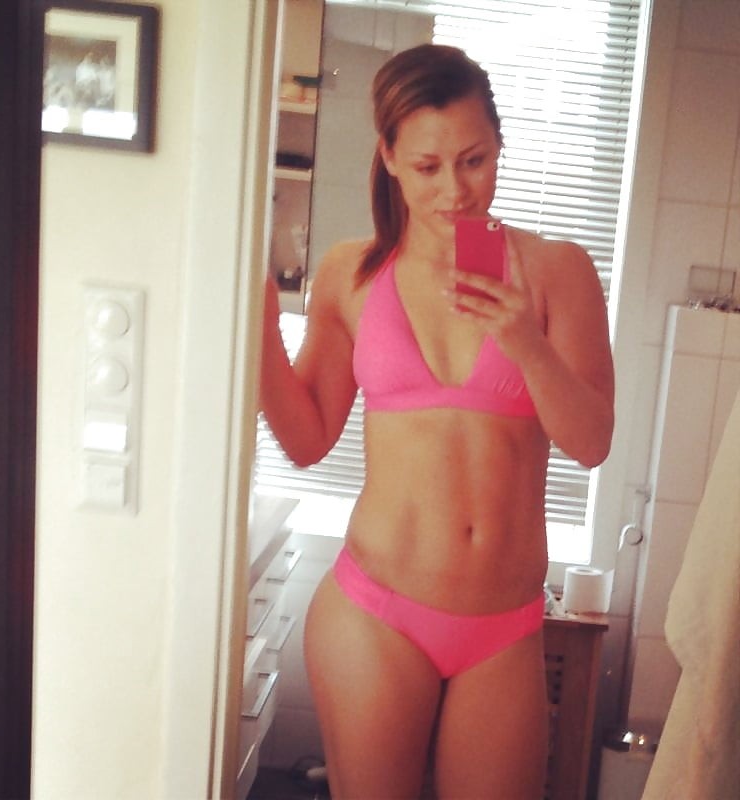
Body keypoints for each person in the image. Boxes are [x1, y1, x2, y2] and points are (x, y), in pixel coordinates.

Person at [260, 43, 614, 800]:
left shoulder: (558, 271)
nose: (455, 190)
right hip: (375, 611)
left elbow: (592, 443)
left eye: (474, 161)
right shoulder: (351, 273)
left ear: (499, 147)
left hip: (505, 627)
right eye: (427, 167)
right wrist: (256, 326)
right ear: (389, 157)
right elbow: (307, 439)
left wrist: (525, 342)